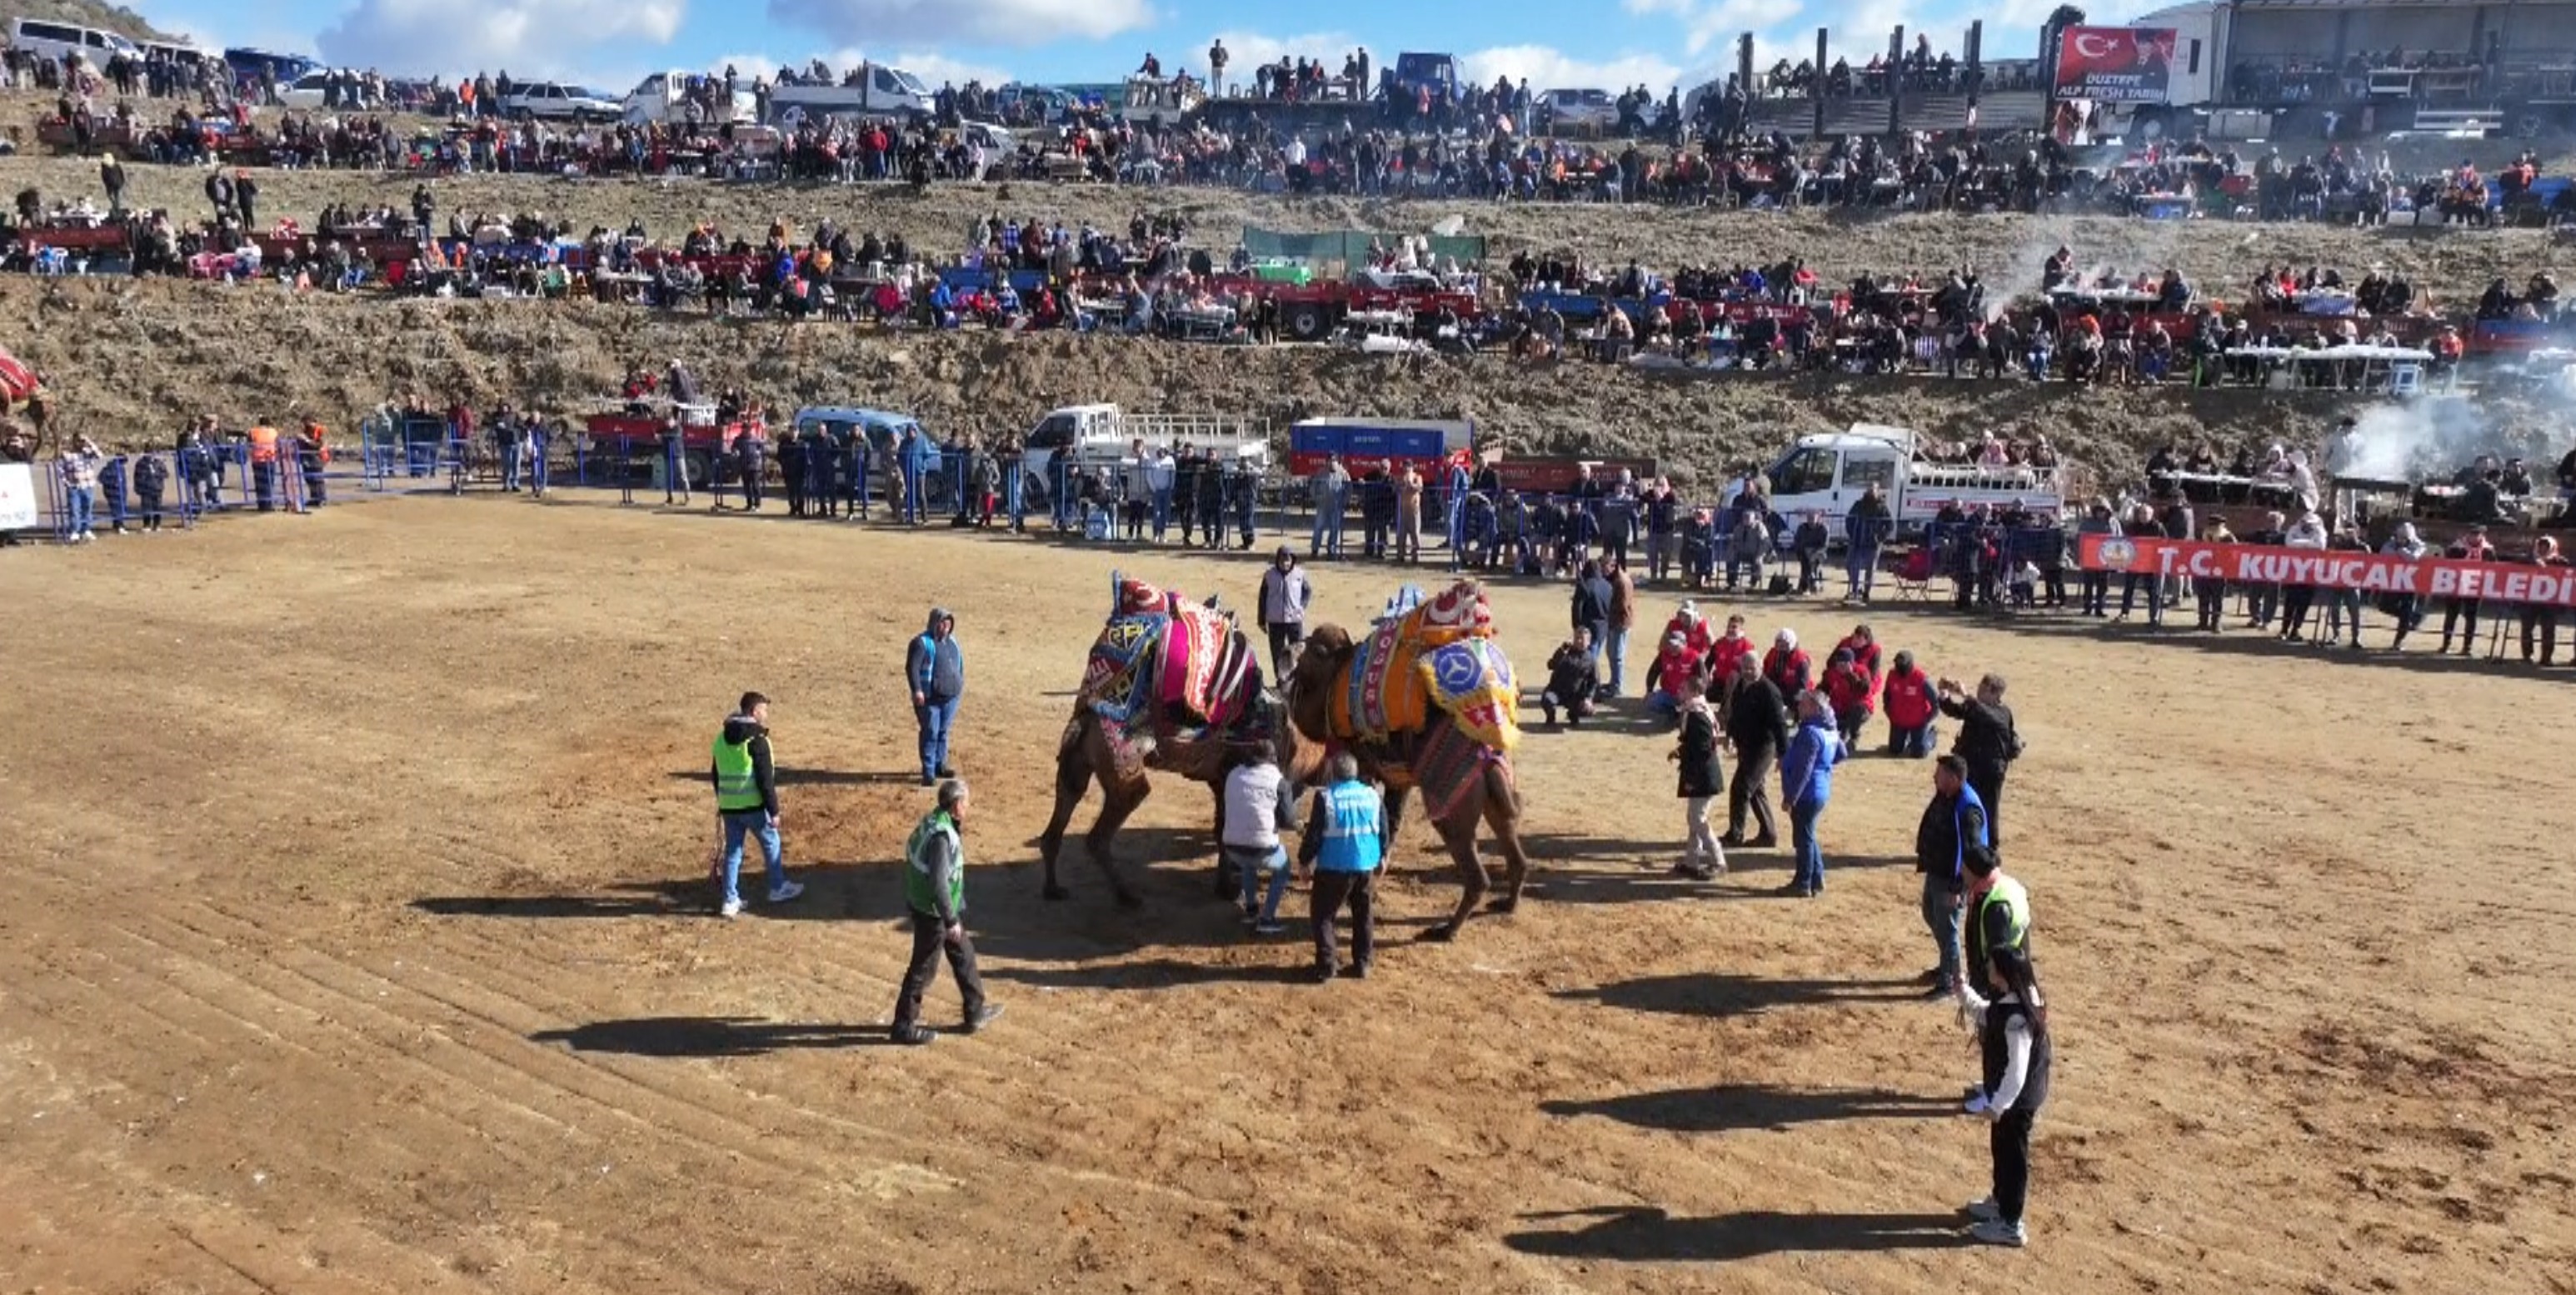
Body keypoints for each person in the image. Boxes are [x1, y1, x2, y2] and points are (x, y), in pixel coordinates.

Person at [890, 778, 1001, 1045]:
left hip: (932, 905)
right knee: (923, 968)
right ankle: (903, 1025)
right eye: (966, 802)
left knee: (964, 952)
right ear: (955, 805)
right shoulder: (942, 837)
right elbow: (939, 882)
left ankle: (974, 1011)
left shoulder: (936, 821)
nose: (968, 807)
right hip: (933, 911)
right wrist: (950, 919)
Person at [1958, 937, 2049, 1248]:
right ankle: (2000, 1202)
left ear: (2004, 974)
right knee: (2002, 1150)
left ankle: (2011, 1224)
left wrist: (1999, 1104)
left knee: (2013, 1159)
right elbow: (1986, 1014)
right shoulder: (2014, 999)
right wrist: (1963, 993)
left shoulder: (2017, 1017)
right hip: (2012, 1098)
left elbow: (2017, 1070)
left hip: (2017, 1100)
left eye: (1992, 966)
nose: (1987, 969)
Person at [708, 692, 806, 918]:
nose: (766, 713)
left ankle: (730, 900)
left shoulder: (721, 739)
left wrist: (722, 800)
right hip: (753, 806)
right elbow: (765, 780)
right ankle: (777, 886)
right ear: (754, 712)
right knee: (771, 843)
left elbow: (716, 774)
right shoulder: (758, 741)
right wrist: (774, 811)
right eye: (763, 709)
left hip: (730, 807)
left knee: (733, 852)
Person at [1297, 752, 1385, 982]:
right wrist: (1383, 856)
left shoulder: (1325, 798)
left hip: (1333, 868)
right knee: (1363, 913)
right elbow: (1382, 828)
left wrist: (1304, 861)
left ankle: (1327, 966)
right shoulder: (1372, 795)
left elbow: (1314, 835)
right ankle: (1363, 963)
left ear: (1332, 773)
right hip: (1365, 864)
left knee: (1323, 915)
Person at [1916, 754, 1993, 999]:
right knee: (1931, 914)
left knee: (1947, 928)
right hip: (1936, 870)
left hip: (1950, 880)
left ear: (1953, 778)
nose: (1934, 777)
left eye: (1939, 774)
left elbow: (1972, 851)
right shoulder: (1948, 794)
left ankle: (1949, 980)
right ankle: (1946, 964)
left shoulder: (1968, 808)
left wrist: (1958, 887)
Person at [1938, 673, 2021, 848]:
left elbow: (1985, 714)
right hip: (1971, 766)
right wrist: (1944, 694)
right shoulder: (1977, 707)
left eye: (1984, 690)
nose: (1979, 692)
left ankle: (1990, 847)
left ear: (1996, 694)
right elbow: (1956, 711)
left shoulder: (2002, 713)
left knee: (1989, 809)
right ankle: (1964, 843)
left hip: (1991, 770)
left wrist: (1965, 695)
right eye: (1980, 688)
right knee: (1962, 803)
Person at [1222, 743, 1296, 934]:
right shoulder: (1279, 781)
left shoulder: (1233, 775)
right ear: (1273, 758)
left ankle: (1251, 909)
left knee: (1249, 864)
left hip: (1231, 848)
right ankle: (1267, 918)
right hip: (1262, 849)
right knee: (1283, 868)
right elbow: (1288, 820)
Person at [1780, 690, 1843, 897]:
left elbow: (1804, 770)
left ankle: (1803, 882)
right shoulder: (1830, 730)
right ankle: (1816, 877)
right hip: (1820, 789)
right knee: (1809, 835)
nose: (1799, 707)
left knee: (1803, 839)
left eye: (1804, 704)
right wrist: (1824, 765)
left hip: (1807, 794)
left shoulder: (1810, 733)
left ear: (1815, 708)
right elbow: (1842, 753)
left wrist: (1791, 798)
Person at [1720, 654, 1788, 848]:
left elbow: (1779, 725)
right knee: (1755, 789)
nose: (1748, 671)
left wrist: (1783, 755)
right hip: (1746, 745)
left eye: (1752, 668)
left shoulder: (1769, 691)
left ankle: (1736, 834)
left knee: (1741, 787)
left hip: (1763, 747)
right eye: (1745, 668)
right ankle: (1768, 834)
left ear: (1760, 667)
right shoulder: (1741, 685)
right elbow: (1735, 712)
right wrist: (1730, 735)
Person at [1670, 693, 1726, 880]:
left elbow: (1702, 750)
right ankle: (1692, 862)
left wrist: (1692, 779)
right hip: (1704, 776)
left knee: (1698, 819)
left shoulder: (1697, 715)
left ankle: (1718, 860)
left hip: (1703, 777)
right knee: (1694, 818)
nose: (1680, 691)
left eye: (1684, 688)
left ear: (1692, 691)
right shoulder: (1697, 712)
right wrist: (1680, 751)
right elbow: (1696, 745)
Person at [907, 608, 965, 787]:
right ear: (934, 623)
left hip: (950, 697)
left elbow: (959, 663)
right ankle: (929, 772)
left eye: (948, 623)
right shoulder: (921, 643)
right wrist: (917, 690)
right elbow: (912, 668)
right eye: (942, 623)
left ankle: (940, 765)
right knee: (930, 733)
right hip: (930, 699)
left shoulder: (952, 642)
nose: (946, 627)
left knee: (943, 731)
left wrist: (959, 683)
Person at [1257, 546, 1311, 682]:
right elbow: (1262, 598)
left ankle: (1297, 679)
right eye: (1282, 560)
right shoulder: (1269, 576)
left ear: (1293, 560)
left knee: (1298, 651)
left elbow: (1308, 591)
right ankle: (1280, 680)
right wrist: (1261, 620)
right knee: (1277, 652)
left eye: (1288, 560)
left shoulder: (1300, 574)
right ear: (1277, 560)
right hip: (1275, 621)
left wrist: (1302, 606)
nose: (1285, 564)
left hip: (1294, 620)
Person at [1539, 628, 1600, 727]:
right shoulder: (1565, 653)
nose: (1579, 641)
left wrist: (1588, 698)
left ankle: (1573, 714)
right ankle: (1551, 716)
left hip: (1575, 695)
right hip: (1556, 691)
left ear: (1588, 642)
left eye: (1582, 639)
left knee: (1587, 710)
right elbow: (1550, 665)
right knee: (1547, 700)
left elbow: (1595, 682)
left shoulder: (1591, 660)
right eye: (1577, 638)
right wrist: (1561, 650)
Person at [1882, 649, 1938, 756]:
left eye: (1901, 664)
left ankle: (1931, 736)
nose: (1899, 667)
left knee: (1919, 753)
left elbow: (1935, 700)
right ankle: (1907, 738)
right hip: (1898, 721)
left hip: (1918, 722)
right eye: (1897, 664)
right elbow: (1887, 694)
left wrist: (1928, 718)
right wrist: (1888, 711)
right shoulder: (1892, 675)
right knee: (1895, 750)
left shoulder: (1921, 678)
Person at [1570, 560, 1613, 682]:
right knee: (1594, 655)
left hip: (1588, 628)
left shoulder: (1584, 585)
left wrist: (1577, 627)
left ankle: (1588, 683)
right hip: (1603, 628)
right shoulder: (1608, 586)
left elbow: (1577, 608)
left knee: (1587, 659)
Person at [58, 438, 103, 543]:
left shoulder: (87, 453)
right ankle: (75, 531)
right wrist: (66, 483)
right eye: (79, 441)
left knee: (87, 508)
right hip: (74, 486)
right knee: (74, 509)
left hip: (87, 485)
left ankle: (86, 529)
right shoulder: (67, 454)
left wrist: (89, 441)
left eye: (82, 441)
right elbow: (60, 469)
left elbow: (100, 455)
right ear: (74, 442)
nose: (81, 443)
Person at [1602, 558, 1636, 697]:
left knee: (1617, 656)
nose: (1603, 571)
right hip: (1614, 621)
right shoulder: (1614, 578)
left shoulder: (1622, 582)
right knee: (1611, 653)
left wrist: (1605, 606)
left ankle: (1617, 686)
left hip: (1620, 623)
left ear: (1613, 566)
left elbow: (1623, 604)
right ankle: (1614, 682)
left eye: (1605, 567)